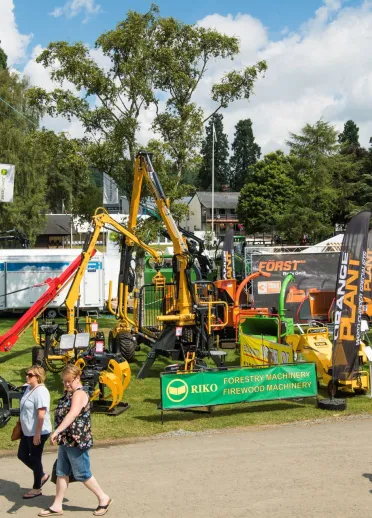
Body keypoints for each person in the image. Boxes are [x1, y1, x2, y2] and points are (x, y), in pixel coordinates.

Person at [38, 364, 112, 517]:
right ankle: (57, 505)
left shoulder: (79, 393)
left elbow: (72, 415)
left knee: (82, 473)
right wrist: (60, 433)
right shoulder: (69, 393)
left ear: (77, 378)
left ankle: (103, 498)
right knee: (61, 472)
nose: (66, 384)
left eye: (69, 381)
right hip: (66, 440)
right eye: (64, 381)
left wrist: (56, 431)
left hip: (77, 441)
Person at [18, 365, 51, 499]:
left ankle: (37, 488)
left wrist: (37, 434)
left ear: (38, 377)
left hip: (38, 431)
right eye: (27, 374)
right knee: (22, 455)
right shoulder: (28, 388)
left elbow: (41, 415)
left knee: (36, 458)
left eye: (30, 375)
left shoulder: (41, 391)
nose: (27, 376)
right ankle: (41, 474)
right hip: (27, 431)